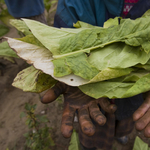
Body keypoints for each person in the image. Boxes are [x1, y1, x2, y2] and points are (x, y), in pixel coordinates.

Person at [41, 0, 150, 150]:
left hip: (131, 89)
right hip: (92, 92)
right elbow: (64, 40)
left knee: (126, 119)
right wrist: (73, 76)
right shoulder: (76, 3)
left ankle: (120, 134)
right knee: (95, 130)